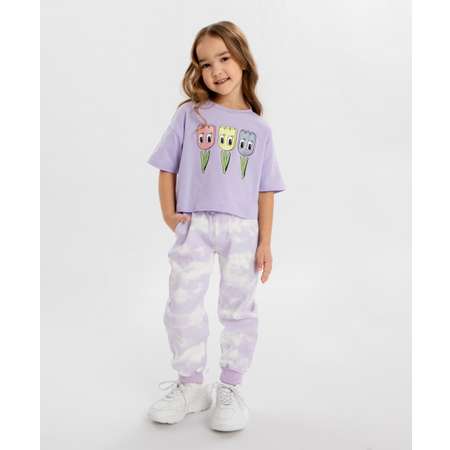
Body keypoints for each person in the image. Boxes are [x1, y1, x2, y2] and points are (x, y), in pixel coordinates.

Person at [146, 21, 286, 432]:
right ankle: (191, 386)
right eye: (205, 63)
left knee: (238, 308)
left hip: (242, 230)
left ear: (242, 59)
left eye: (223, 58)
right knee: (182, 305)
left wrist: (265, 242)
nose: (215, 70)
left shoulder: (260, 129)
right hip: (195, 224)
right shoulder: (190, 115)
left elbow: (266, 189)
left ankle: (230, 386)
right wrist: (169, 215)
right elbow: (166, 167)